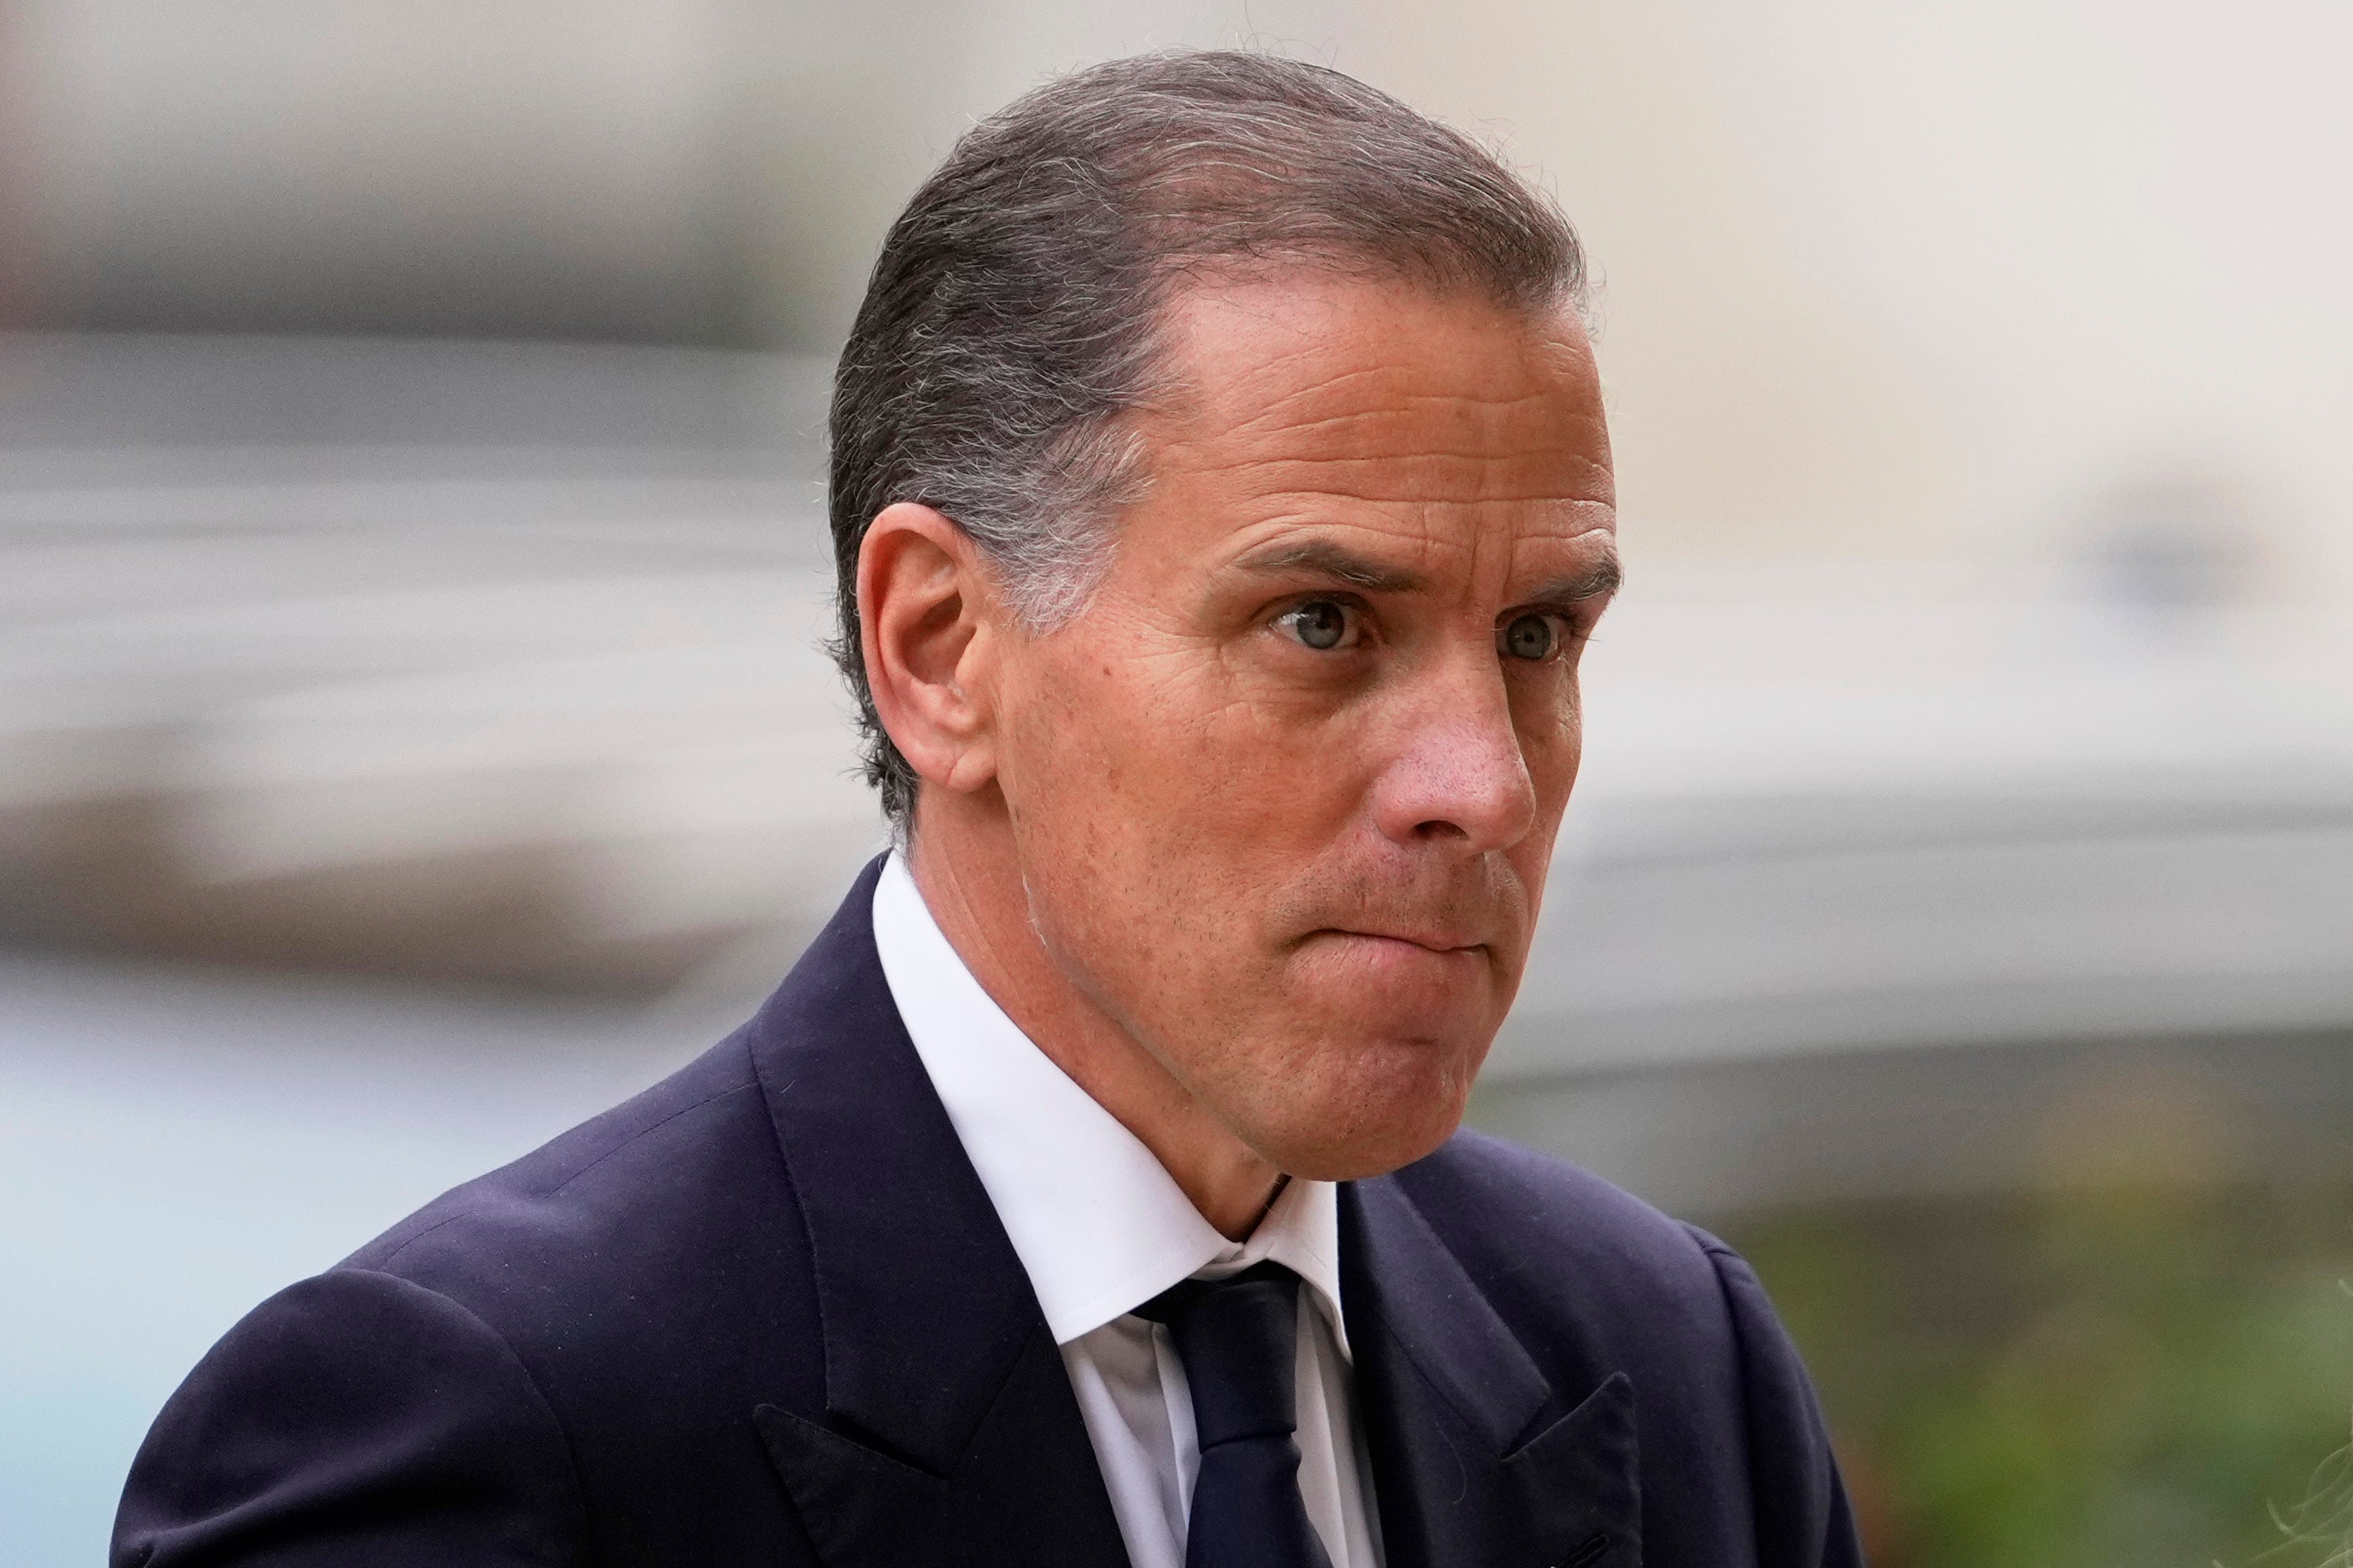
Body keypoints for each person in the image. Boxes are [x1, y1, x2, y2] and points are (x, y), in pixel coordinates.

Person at [114, 50, 1864, 1568]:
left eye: (1538, 634)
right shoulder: (482, 1428)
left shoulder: (1662, 1361)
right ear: (941, 650)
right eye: (1321, 624)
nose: (1482, 780)